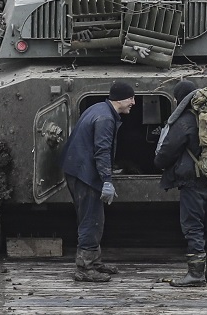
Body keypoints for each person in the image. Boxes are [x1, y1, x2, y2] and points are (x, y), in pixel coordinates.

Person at [59, 80, 136, 282]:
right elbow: (101, 150)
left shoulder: (99, 109)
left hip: (78, 170)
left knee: (93, 218)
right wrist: (107, 180)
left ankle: (94, 261)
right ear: (120, 99)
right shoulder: (105, 119)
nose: (133, 103)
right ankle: (84, 268)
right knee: (91, 220)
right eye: (130, 98)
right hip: (85, 174)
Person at [154, 80, 207, 287]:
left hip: (192, 181)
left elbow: (168, 151)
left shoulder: (185, 120)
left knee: (193, 226)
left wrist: (158, 162)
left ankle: (195, 274)